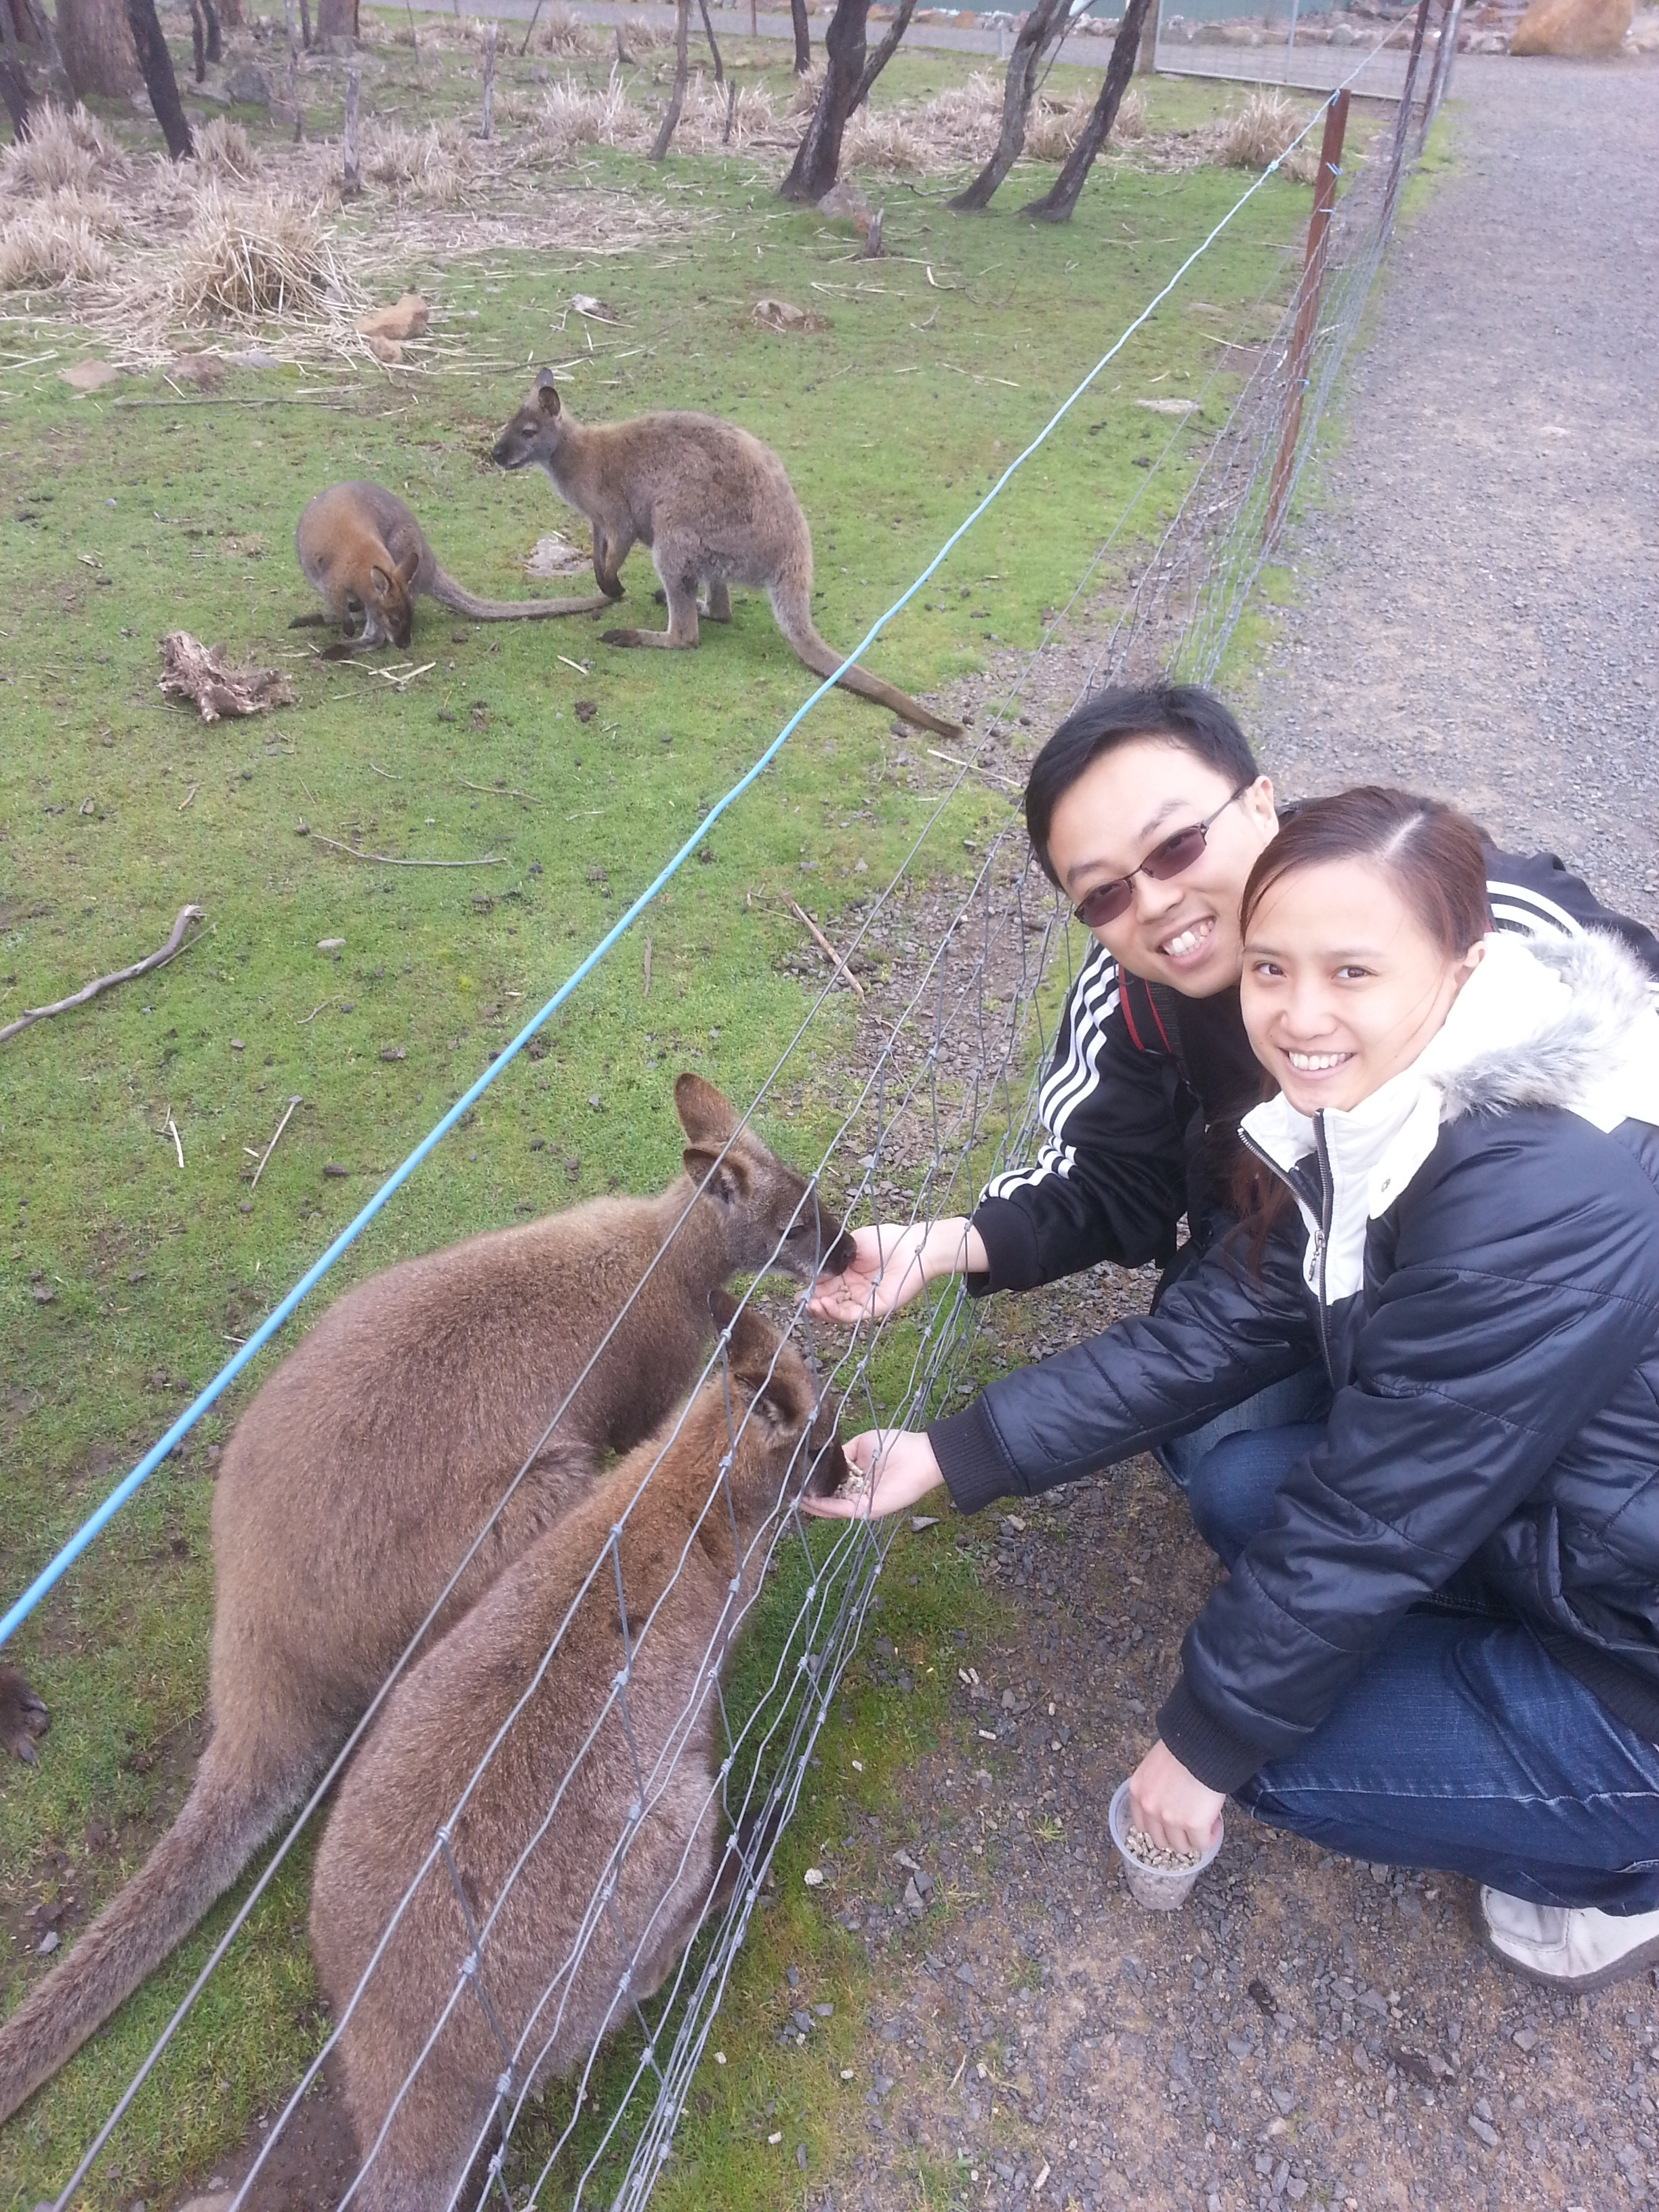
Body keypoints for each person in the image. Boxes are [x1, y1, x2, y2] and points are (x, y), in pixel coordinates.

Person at [807, 787, 1659, 1993]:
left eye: (1350, 971)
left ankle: (1627, 1870)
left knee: (1273, 1760)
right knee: (1242, 1482)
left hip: (1637, 1645)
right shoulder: (1378, 1110)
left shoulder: (1530, 1191)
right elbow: (1203, 1335)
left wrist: (1202, 1747)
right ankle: (1504, 1675)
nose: (1298, 1014)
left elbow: (1378, 1514)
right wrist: (950, 1452)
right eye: (1270, 970)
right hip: (1590, 1521)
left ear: (1461, 967)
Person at [808, 689, 1659, 1505]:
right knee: (1216, 1450)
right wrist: (942, 1246)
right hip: (1283, 1259)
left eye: (1176, 845)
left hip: (1533, 1273)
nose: (1155, 901)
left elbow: (1612, 1052)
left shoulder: (1453, 916)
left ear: (1259, 804)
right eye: (1104, 893)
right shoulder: (1135, 996)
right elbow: (1113, 1178)